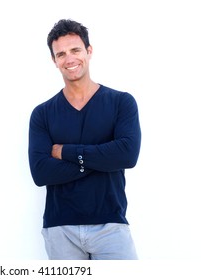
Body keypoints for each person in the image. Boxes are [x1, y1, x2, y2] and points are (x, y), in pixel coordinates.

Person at [28, 19, 141, 260]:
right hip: (60, 229)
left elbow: (127, 155)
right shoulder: (42, 114)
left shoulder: (121, 102)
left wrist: (65, 152)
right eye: (61, 54)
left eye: (75, 50)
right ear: (54, 61)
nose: (69, 59)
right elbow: (41, 173)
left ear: (89, 52)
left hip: (111, 226)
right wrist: (103, 157)